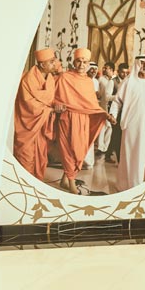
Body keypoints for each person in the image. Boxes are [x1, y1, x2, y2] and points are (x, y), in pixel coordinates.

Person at [109, 56, 145, 192]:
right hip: (129, 126)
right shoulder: (128, 82)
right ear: (137, 64)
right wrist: (113, 114)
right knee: (127, 156)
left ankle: (136, 185)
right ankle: (123, 184)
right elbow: (117, 101)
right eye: (142, 63)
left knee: (140, 157)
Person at [54, 48, 108, 194]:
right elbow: (54, 96)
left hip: (83, 119)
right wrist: (57, 105)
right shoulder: (65, 77)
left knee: (79, 150)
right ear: (74, 62)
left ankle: (64, 180)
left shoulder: (89, 82)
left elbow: (92, 104)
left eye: (85, 62)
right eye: (79, 61)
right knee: (68, 149)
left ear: (88, 64)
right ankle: (71, 183)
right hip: (67, 118)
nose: (81, 65)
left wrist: (105, 114)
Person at [13, 48, 63, 180]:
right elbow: (28, 105)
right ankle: (24, 186)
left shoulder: (50, 79)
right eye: (51, 61)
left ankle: (35, 183)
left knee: (41, 156)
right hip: (28, 126)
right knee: (26, 157)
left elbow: (50, 100)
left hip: (42, 125)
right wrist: (50, 110)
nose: (55, 63)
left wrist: (56, 105)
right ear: (42, 64)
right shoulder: (28, 80)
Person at [105, 62, 130, 163]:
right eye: (123, 72)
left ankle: (108, 154)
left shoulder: (128, 82)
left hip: (124, 112)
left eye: (127, 73)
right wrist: (119, 97)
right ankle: (119, 159)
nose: (125, 74)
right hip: (114, 111)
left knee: (116, 134)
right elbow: (107, 97)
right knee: (116, 134)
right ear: (118, 71)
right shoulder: (112, 82)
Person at [96, 62, 115, 155]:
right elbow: (98, 93)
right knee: (102, 126)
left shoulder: (113, 80)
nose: (104, 70)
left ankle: (106, 147)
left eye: (106, 68)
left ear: (111, 69)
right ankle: (100, 147)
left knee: (109, 127)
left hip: (111, 107)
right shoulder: (101, 79)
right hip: (102, 106)